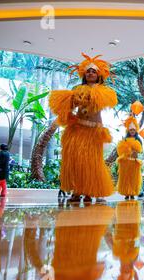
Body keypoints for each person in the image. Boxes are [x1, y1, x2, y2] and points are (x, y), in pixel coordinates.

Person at [49, 53, 117, 203]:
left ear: (99, 75)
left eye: (93, 71)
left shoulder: (103, 92)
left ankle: (91, 191)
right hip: (78, 130)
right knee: (77, 162)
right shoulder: (77, 89)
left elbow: (102, 102)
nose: (90, 73)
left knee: (92, 162)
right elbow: (69, 107)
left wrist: (89, 95)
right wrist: (70, 103)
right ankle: (77, 191)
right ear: (84, 75)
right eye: (88, 71)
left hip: (93, 132)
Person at [116, 113, 143, 200]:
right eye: (130, 130)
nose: (132, 132)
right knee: (126, 178)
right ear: (128, 131)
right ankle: (126, 193)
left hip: (134, 162)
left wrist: (135, 152)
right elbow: (121, 151)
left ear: (135, 131)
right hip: (126, 162)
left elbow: (140, 151)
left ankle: (132, 193)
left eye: (133, 130)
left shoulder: (138, 140)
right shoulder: (124, 140)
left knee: (133, 179)